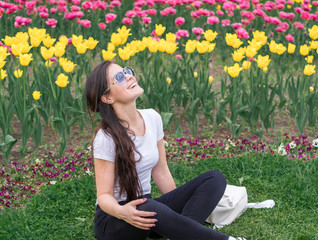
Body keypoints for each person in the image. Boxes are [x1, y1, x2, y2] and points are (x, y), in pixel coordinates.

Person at [85, 60, 246, 240]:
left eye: (127, 71)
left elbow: (161, 170)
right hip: (116, 220)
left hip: (148, 210)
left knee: (214, 179)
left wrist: (172, 211)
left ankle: (180, 233)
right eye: (120, 77)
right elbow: (104, 196)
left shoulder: (152, 118)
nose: (129, 76)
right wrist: (123, 212)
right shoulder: (106, 138)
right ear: (107, 98)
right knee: (147, 205)